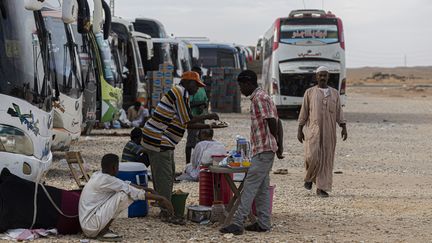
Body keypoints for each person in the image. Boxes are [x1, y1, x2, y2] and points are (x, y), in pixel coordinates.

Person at [141, 71, 223, 219]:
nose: (197, 89)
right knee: (165, 176)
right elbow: (188, 121)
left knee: (165, 174)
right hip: (159, 139)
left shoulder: (181, 93)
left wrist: (210, 126)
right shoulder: (180, 93)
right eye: (196, 86)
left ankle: (164, 206)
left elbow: (186, 124)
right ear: (189, 83)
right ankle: (166, 212)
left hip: (158, 139)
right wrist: (209, 117)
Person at [220, 70, 284, 235]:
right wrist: (278, 146)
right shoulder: (263, 96)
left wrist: (275, 142)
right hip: (264, 149)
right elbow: (278, 121)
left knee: (249, 187)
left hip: (263, 150)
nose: (241, 89)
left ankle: (238, 222)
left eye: (241, 85)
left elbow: (271, 121)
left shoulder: (259, 98)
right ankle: (263, 223)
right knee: (262, 188)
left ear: (248, 83)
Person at [79, 154, 173, 241]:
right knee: (125, 195)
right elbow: (132, 191)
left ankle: (104, 229)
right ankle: (103, 231)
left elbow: (125, 184)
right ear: (114, 167)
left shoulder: (98, 175)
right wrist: (161, 198)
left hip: (88, 225)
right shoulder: (107, 179)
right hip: (92, 226)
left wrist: (148, 189)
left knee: (125, 191)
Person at [297, 66, 348, 198]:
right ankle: (309, 178)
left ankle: (322, 188)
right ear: (316, 76)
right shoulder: (309, 93)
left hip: (329, 132)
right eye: (320, 75)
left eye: (325, 75)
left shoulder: (335, 93)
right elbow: (304, 111)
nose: (323, 77)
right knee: (312, 156)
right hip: (313, 131)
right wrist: (300, 129)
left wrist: (343, 127)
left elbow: (339, 112)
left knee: (326, 159)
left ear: (328, 76)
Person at [185, 66, 209, 165]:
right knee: (191, 142)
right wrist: (199, 104)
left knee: (201, 141)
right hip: (192, 118)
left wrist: (204, 105)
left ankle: (198, 163)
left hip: (201, 116)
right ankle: (188, 164)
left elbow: (206, 100)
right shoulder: (188, 89)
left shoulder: (202, 87)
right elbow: (187, 104)